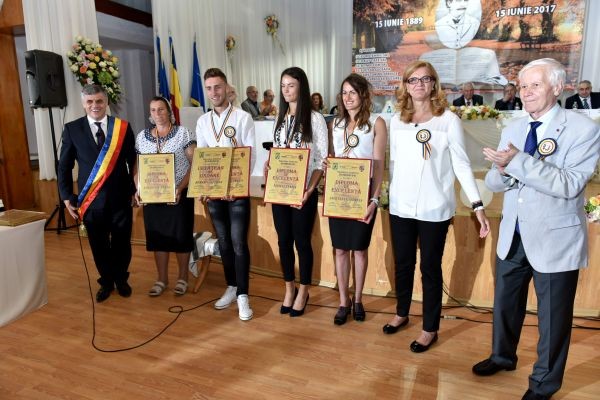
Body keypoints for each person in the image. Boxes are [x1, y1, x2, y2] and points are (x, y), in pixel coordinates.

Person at [474, 58, 600, 400]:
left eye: (535, 85)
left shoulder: (583, 129)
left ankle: (544, 384)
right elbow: (496, 182)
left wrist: (516, 162)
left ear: (557, 88)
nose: (526, 92)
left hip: (554, 237)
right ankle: (502, 356)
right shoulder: (514, 127)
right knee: (505, 304)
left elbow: (569, 184)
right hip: (513, 234)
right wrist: (502, 171)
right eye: (523, 85)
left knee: (552, 318)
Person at [385, 60, 490, 352]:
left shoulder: (448, 121)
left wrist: (477, 205)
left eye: (425, 79)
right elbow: (394, 164)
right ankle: (401, 312)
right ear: (406, 86)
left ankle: (429, 328)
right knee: (403, 263)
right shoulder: (397, 121)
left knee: (430, 268)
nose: (419, 84)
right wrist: (390, 196)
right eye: (413, 80)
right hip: (401, 207)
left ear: (434, 84)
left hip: (434, 208)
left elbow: (461, 164)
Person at [58, 84, 136, 303]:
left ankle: (121, 279)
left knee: (122, 243)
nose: (95, 105)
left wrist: (135, 190)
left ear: (107, 102)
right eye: (90, 102)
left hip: (120, 198)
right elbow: (64, 166)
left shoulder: (122, 127)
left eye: (99, 101)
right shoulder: (72, 129)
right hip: (90, 201)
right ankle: (107, 281)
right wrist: (66, 196)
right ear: (83, 104)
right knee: (98, 245)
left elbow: (133, 161)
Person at [266, 67, 328, 317]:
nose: (286, 90)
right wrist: (269, 163)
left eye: (291, 85)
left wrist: (309, 190)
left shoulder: (315, 119)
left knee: (302, 241)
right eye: (283, 85)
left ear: (301, 87)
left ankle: (304, 291)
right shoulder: (279, 118)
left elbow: (321, 160)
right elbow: (278, 151)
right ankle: (289, 288)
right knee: (283, 241)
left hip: (304, 192)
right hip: (281, 190)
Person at [195, 68, 256, 321]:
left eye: (217, 87)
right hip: (215, 194)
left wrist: (237, 187)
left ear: (226, 87)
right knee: (224, 242)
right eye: (209, 88)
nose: (213, 92)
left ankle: (243, 295)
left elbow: (250, 155)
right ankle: (231, 286)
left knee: (239, 242)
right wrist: (204, 187)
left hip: (237, 193)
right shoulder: (203, 121)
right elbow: (203, 156)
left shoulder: (242, 117)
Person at [327, 73, 387, 325]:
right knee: (340, 249)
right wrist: (328, 164)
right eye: (344, 92)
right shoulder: (335, 124)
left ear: (363, 95)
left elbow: (379, 166)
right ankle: (344, 301)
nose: (348, 97)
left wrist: (374, 200)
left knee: (360, 250)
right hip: (339, 193)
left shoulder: (376, 123)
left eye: (352, 92)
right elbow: (332, 157)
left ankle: (358, 298)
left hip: (364, 195)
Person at [134, 97, 196, 296]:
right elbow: (137, 167)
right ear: (150, 114)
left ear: (169, 111)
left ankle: (183, 278)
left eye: (161, 109)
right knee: (157, 238)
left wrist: (180, 188)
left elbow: (194, 164)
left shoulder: (183, 133)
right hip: (153, 197)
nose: (157, 114)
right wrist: (139, 189)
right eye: (153, 110)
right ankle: (161, 279)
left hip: (179, 195)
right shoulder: (142, 137)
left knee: (181, 236)